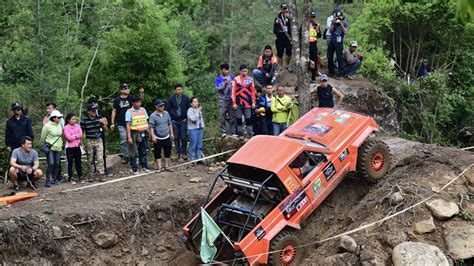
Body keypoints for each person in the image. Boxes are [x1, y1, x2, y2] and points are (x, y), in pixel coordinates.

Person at [84, 97, 112, 177]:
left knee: (101, 154)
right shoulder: (85, 113)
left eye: (96, 102)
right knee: (91, 156)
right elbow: (86, 123)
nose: (95, 104)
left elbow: (104, 122)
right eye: (92, 103)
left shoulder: (100, 112)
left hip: (100, 134)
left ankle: (103, 171)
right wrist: (98, 121)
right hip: (90, 136)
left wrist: (104, 123)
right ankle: (92, 172)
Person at [81, 105, 108, 182]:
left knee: (100, 158)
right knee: (90, 159)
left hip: (98, 139)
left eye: (95, 111)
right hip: (89, 140)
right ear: (88, 112)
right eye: (92, 111)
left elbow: (105, 129)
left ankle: (101, 174)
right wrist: (82, 143)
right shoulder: (84, 120)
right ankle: (91, 175)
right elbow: (81, 132)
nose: (94, 113)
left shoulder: (99, 118)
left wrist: (104, 123)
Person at [126, 95, 151, 174]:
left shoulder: (143, 110)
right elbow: (128, 125)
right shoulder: (129, 112)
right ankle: (134, 169)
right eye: (137, 102)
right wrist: (129, 137)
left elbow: (146, 121)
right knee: (133, 152)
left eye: (139, 102)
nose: (139, 104)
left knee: (143, 150)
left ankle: (144, 166)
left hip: (143, 133)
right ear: (133, 103)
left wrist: (149, 132)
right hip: (134, 133)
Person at [149, 99, 174, 172]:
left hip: (166, 136)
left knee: (168, 151)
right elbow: (151, 127)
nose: (162, 107)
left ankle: (166, 166)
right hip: (158, 137)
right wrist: (153, 136)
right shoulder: (153, 116)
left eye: (163, 105)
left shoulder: (166, 113)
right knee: (157, 152)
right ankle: (159, 167)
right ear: (156, 106)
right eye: (160, 106)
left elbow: (170, 123)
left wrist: (171, 133)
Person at [41, 110, 64, 187]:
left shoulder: (60, 124)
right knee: (51, 163)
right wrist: (43, 145)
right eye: (59, 117)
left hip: (58, 147)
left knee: (57, 163)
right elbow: (42, 137)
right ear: (54, 118)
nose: (60, 118)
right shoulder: (47, 126)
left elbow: (61, 134)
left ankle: (54, 179)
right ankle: (47, 179)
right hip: (50, 146)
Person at [167, 83, 190, 161]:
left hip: (183, 120)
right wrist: (171, 119)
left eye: (180, 89)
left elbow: (189, 109)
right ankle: (177, 153)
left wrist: (187, 118)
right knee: (176, 137)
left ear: (182, 90)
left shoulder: (186, 98)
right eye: (177, 89)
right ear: (175, 90)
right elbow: (168, 110)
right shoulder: (171, 99)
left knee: (183, 137)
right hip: (175, 121)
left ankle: (184, 153)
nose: (179, 91)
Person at [232, 64, 256, 137]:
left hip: (247, 103)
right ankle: (240, 134)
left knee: (248, 118)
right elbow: (233, 91)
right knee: (239, 119)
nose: (244, 73)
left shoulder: (250, 79)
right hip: (238, 102)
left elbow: (252, 91)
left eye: (246, 71)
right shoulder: (236, 79)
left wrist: (253, 102)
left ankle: (250, 134)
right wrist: (234, 103)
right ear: (240, 71)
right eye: (243, 71)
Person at [111, 83, 132, 164]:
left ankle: (133, 156)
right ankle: (126, 156)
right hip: (121, 123)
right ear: (121, 90)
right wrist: (112, 123)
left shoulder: (131, 98)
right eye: (126, 88)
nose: (128, 89)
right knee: (123, 140)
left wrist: (141, 94)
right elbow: (114, 111)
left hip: (131, 123)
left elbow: (139, 102)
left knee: (132, 139)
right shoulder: (117, 100)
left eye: (128, 88)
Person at [215, 63, 236, 137]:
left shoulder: (231, 77)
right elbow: (218, 89)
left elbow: (235, 87)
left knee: (232, 116)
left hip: (230, 99)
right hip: (223, 100)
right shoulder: (218, 79)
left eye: (227, 70)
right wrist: (225, 84)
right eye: (224, 70)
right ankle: (223, 132)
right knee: (222, 116)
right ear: (221, 70)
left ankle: (232, 132)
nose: (226, 71)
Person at [327, 10, 348, 79]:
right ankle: (331, 71)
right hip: (332, 40)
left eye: (340, 17)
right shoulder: (333, 22)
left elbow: (345, 32)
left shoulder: (345, 23)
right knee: (329, 56)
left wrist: (341, 24)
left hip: (339, 42)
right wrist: (333, 23)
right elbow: (330, 31)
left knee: (339, 57)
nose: (338, 18)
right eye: (337, 17)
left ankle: (341, 73)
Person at [64, 113, 83, 184]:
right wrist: (76, 136)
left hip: (77, 146)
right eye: (72, 119)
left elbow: (81, 134)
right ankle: (71, 177)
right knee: (70, 163)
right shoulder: (66, 127)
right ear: (68, 120)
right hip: (69, 147)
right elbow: (69, 138)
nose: (74, 120)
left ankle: (80, 176)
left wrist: (73, 136)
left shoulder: (77, 126)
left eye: (75, 119)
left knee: (78, 162)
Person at [273, 3, 292, 72]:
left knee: (289, 52)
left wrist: (289, 17)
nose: (285, 10)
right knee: (280, 52)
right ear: (281, 9)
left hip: (288, 37)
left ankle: (287, 65)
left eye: (286, 8)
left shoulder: (291, 16)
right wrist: (275, 36)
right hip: (279, 37)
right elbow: (275, 28)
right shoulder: (278, 17)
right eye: (283, 8)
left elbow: (294, 26)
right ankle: (280, 66)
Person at [187, 97, 205, 161]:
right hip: (193, 129)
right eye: (194, 102)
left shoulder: (198, 110)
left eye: (197, 101)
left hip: (200, 128)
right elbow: (193, 119)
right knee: (193, 145)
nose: (196, 103)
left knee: (199, 145)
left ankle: (199, 159)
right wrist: (198, 111)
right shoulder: (190, 110)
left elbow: (201, 119)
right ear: (191, 103)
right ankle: (191, 160)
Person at [308, 10, 322, 83]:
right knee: (305, 60)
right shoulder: (305, 24)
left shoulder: (316, 25)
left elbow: (320, 35)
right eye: (311, 16)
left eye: (313, 17)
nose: (312, 18)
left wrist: (317, 29)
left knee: (314, 61)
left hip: (313, 45)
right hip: (306, 45)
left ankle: (313, 77)